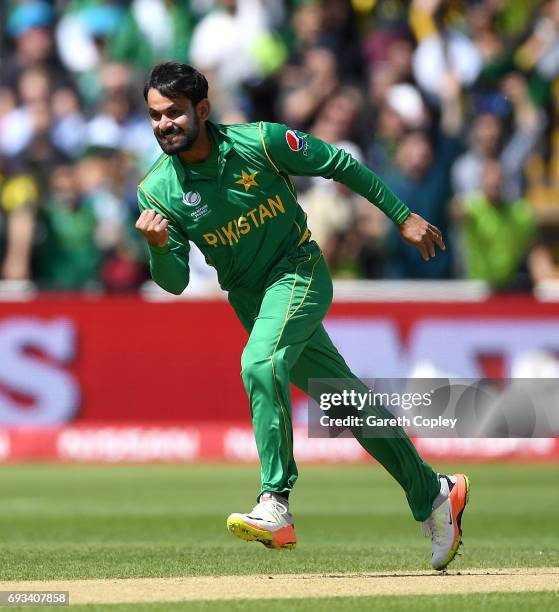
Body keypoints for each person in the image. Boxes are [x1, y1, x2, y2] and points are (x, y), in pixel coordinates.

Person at [135, 62, 470, 571]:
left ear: (202, 110)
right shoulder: (157, 190)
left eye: (175, 113)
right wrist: (159, 247)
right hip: (251, 299)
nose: (164, 125)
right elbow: (176, 281)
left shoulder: (261, 142)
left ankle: (276, 501)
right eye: (156, 116)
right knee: (346, 402)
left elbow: (339, 162)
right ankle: (434, 493)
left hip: (298, 271)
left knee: (259, 365)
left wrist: (403, 216)